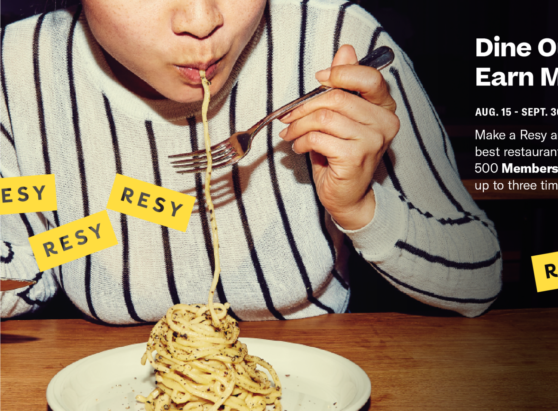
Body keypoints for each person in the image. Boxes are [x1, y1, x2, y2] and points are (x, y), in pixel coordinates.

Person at [0, 0, 501, 324]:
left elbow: (480, 279)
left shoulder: (335, 40)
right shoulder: (20, 65)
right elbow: (28, 269)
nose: (201, 21)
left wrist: (361, 209)